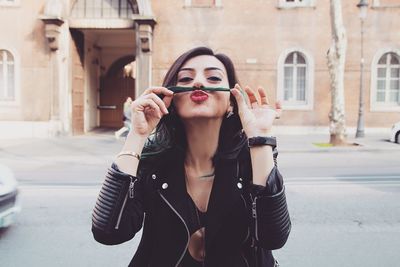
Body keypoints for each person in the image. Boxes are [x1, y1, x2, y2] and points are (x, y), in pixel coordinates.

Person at [92, 47, 291, 267]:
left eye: (213, 77)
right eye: (185, 78)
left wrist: (260, 136)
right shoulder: (153, 164)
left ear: (231, 103)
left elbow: (273, 237)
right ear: (172, 100)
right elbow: (108, 232)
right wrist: (137, 135)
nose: (198, 83)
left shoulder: (251, 159)